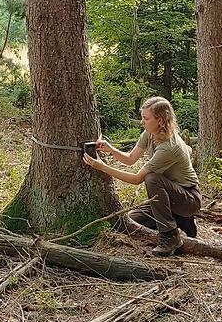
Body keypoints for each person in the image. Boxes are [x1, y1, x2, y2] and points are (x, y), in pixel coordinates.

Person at [82, 96, 201, 256]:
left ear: (160, 120)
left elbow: (137, 179)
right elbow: (130, 159)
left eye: (146, 118)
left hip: (188, 199)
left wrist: (103, 167)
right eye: (142, 117)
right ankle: (181, 221)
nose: (142, 122)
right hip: (170, 197)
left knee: (152, 178)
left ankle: (170, 236)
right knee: (130, 222)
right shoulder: (150, 133)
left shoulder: (168, 147)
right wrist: (111, 149)